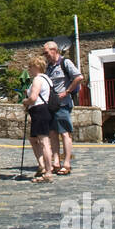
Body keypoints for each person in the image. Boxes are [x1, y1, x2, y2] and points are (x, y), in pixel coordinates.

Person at [42, 41, 84, 175]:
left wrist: (67, 91)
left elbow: (78, 77)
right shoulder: (48, 67)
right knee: (53, 133)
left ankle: (66, 163)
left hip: (63, 104)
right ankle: (56, 161)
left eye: (46, 52)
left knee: (65, 133)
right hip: (51, 105)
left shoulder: (65, 63)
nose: (45, 55)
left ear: (54, 50)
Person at [21, 56, 56, 182]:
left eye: (30, 67)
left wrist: (25, 101)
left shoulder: (37, 79)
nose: (29, 69)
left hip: (39, 111)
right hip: (44, 111)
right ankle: (42, 165)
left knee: (44, 142)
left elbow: (33, 98)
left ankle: (48, 172)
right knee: (33, 139)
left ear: (36, 67)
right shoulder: (47, 79)